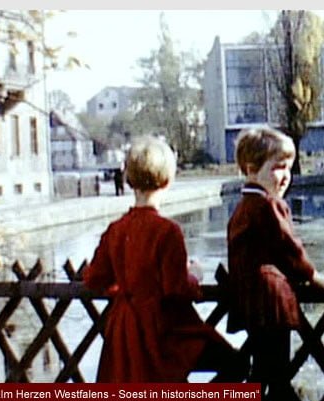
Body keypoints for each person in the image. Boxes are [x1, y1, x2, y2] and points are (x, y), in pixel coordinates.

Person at [84, 135, 245, 383]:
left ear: (128, 181)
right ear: (168, 180)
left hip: (124, 329)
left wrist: (125, 285)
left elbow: (94, 278)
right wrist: (193, 275)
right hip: (161, 330)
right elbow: (176, 290)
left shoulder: (116, 229)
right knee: (235, 363)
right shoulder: (167, 230)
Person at [226, 126, 324, 401]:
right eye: (278, 167)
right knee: (276, 377)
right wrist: (313, 276)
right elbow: (289, 247)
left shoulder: (240, 209)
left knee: (265, 373)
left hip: (250, 303)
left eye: (288, 169)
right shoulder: (268, 205)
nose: (285, 176)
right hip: (271, 303)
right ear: (251, 169)